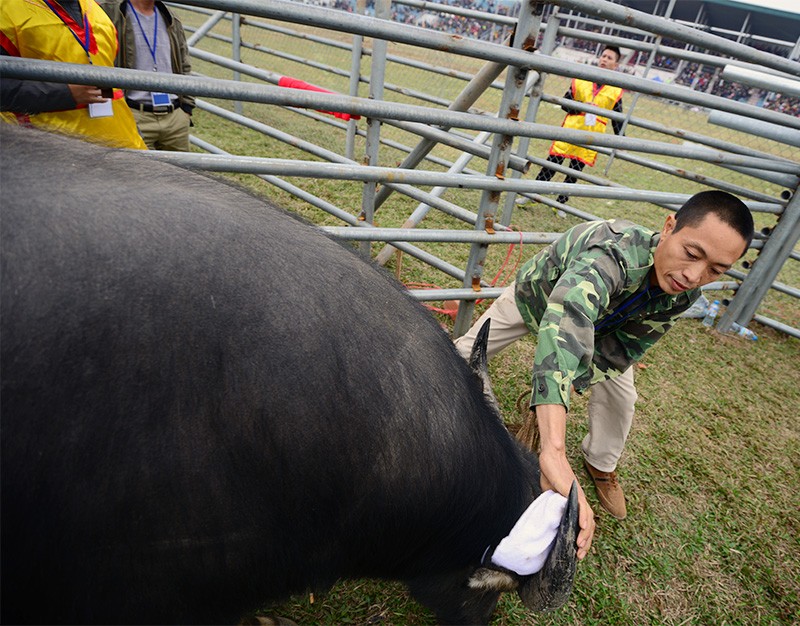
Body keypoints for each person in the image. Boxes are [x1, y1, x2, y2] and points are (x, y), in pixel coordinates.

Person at [454, 190, 754, 560]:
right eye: (692, 254)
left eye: (715, 270)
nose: (694, 276)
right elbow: (563, 323)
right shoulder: (612, 255)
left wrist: (569, 384)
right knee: (460, 355)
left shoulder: (684, 293)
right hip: (536, 299)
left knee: (622, 396)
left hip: (602, 331)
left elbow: (626, 348)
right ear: (669, 227)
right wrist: (553, 449)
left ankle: (601, 463)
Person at [0, 0, 146, 150]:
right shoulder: (7, 10)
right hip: (55, 155)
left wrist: (137, 133)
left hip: (125, 146)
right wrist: (65, 93)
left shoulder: (95, 9)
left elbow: (114, 87)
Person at [519, 45, 624, 208]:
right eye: (603, 56)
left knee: (574, 172)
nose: (604, 59)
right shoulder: (582, 79)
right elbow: (565, 104)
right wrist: (582, 106)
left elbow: (617, 119)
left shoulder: (616, 90)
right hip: (570, 129)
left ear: (616, 65)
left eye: (609, 58)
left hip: (590, 137)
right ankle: (532, 194)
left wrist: (621, 139)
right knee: (551, 164)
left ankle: (561, 204)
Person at [98, 0, 194, 151]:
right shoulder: (111, 12)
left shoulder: (170, 17)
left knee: (181, 173)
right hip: (133, 114)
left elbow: (184, 64)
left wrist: (187, 107)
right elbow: (100, 61)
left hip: (174, 116)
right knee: (137, 173)